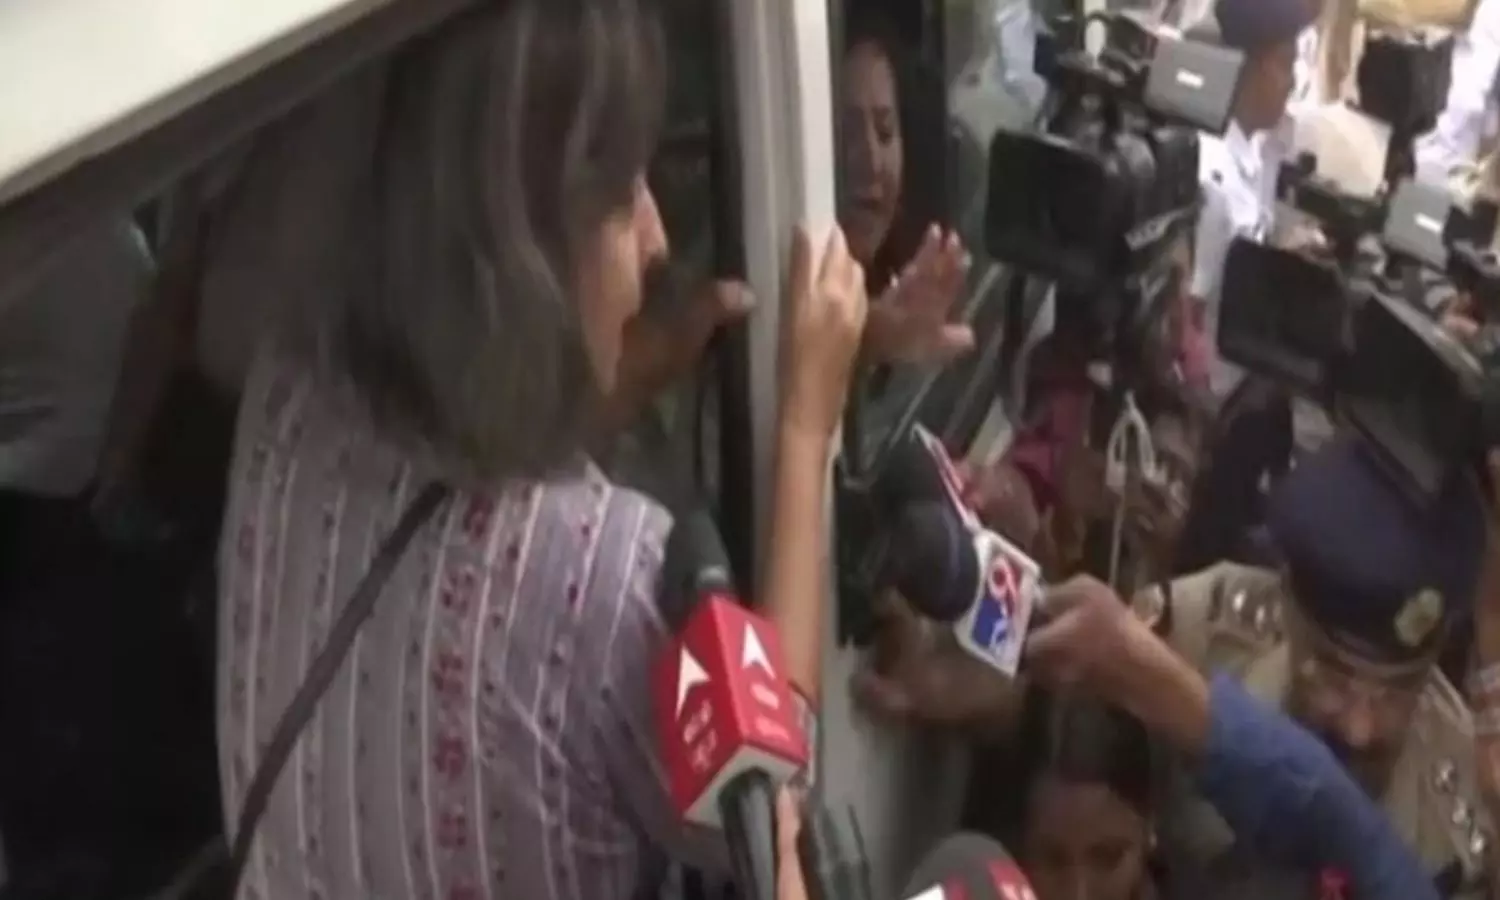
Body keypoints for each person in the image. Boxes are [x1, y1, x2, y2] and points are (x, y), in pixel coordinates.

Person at [214, 3, 871, 899]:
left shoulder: (286, 395)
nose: (657, 240)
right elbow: (767, 814)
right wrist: (805, 430)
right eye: (620, 199)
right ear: (520, 251)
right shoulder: (608, 584)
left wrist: (614, 383)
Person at [841, 12, 976, 367]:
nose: (871, 161)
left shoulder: (911, 282)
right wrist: (868, 336)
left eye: (885, 131)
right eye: (844, 133)